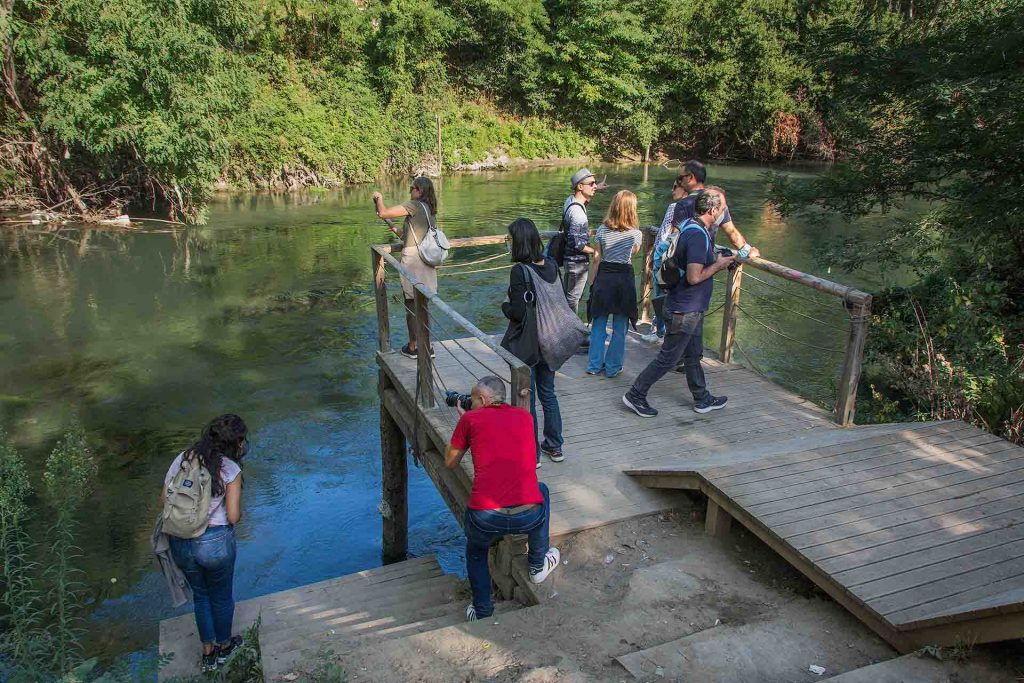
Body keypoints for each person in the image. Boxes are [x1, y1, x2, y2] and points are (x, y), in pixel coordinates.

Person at [446, 376, 561, 621]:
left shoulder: (469, 419)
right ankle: (537, 565)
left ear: (482, 399)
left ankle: (483, 610)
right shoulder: (525, 417)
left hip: (485, 517)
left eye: (473, 399)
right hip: (528, 514)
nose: (470, 403)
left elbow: (450, 462)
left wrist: (464, 424)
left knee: (476, 552)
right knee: (542, 490)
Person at [623, 190, 735, 417]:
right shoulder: (696, 235)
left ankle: (702, 398)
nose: (723, 213)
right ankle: (635, 394)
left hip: (689, 306)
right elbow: (694, 276)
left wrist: (717, 258)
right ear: (713, 210)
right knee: (669, 357)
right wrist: (718, 266)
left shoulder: (691, 226)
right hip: (685, 309)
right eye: (722, 208)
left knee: (693, 354)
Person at [161, 414, 248, 673]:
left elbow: (163, 501)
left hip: (181, 540)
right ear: (236, 442)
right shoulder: (230, 470)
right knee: (221, 597)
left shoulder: (183, 459)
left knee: (201, 596)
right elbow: (232, 516)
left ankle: (207, 654)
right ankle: (225, 646)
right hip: (215, 542)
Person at [501, 218, 577, 464]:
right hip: (552, 339)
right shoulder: (552, 264)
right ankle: (555, 446)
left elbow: (518, 313)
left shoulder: (519, 271)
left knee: (528, 398)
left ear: (519, 242)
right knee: (548, 394)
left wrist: (505, 305)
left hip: (531, 344)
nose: (507, 242)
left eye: (510, 239)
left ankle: (531, 454)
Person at [373, 176, 439, 359]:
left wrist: (378, 198)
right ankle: (427, 345)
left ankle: (413, 347)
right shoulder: (430, 210)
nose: (410, 191)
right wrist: (395, 229)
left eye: (412, 188)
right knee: (423, 304)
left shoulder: (415, 205)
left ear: (419, 190)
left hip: (413, 262)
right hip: (427, 261)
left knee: (411, 304)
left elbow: (383, 212)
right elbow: (410, 236)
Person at [585, 190, 643, 378]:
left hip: (604, 277)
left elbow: (596, 258)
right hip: (623, 279)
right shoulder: (636, 234)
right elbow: (632, 254)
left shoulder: (602, 230)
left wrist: (592, 282)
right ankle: (612, 367)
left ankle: (594, 365)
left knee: (598, 323)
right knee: (620, 326)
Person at [670, 160, 761, 259]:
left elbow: (675, 239)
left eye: (680, 178)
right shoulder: (718, 202)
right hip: (706, 262)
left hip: (685, 265)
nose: (679, 181)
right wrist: (748, 250)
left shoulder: (683, 205)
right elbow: (732, 234)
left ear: (690, 177)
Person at [642, 175, 691, 342]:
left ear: (684, 189)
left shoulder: (674, 207)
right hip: (677, 260)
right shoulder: (693, 208)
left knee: (661, 295)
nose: (672, 191)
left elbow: (664, 233)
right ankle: (665, 331)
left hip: (664, 258)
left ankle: (660, 331)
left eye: (675, 187)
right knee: (671, 296)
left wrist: (654, 253)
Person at [561, 168, 599, 314]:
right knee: (573, 298)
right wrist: (595, 251)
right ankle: (571, 331)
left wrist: (596, 187)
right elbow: (576, 243)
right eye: (592, 184)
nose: (594, 186)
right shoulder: (578, 214)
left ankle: (565, 327)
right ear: (580, 186)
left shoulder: (570, 201)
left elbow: (574, 233)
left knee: (568, 296)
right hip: (577, 263)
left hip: (568, 260)